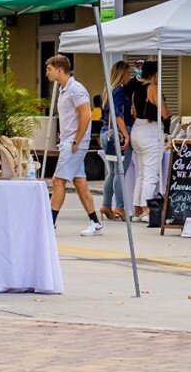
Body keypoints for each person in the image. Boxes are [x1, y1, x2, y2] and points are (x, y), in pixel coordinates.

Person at [44, 54, 102, 237]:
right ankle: (95, 222)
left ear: (59, 70)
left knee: (57, 180)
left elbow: (86, 115)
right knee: (79, 181)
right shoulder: (63, 89)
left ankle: (50, 223)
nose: (47, 73)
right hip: (69, 142)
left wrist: (76, 141)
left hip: (74, 143)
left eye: (49, 69)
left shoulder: (76, 89)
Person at [99, 60, 135, 222]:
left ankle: (106, 204)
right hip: (118, 135)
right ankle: (119, 206)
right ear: (122, 74)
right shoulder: (119, 90)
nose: (130, 77)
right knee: (120, 172)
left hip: (106, 133)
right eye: (128, 73)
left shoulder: (108, 89)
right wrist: (126, 135)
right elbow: (118, 115)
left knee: (113, 171)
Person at [130, 60, 165, 221]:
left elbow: (134, 112)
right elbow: (164, 112)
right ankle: (147, 210)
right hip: (150, 131)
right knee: (151, 173)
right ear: (154, 74)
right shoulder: (154, 88)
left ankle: (137, 209)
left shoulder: (136, 91)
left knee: (141, 173)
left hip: (137, 129)